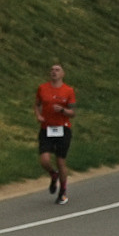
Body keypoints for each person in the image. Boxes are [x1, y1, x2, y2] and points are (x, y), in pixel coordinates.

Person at [36, 63, 77, 204]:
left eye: (57, 70)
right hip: (47, 128)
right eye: (52, 70)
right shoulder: (42, 88)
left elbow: (73, 113)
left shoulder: (68, 90)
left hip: (62, 129)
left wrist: (62, 110)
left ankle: (63, 191)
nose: (54, 72)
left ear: (62, 74)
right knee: (44, 160)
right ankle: (53, 175)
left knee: (60, 161)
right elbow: (37, 104)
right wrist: (38, 115)